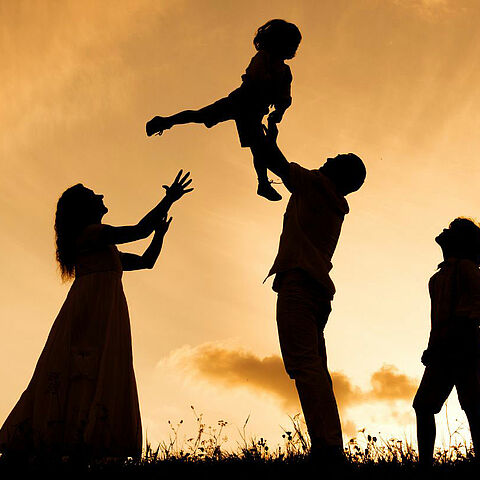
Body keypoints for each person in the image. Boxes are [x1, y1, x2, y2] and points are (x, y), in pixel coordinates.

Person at [0, 170, 193, 461]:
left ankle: (80, 440)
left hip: (102, 311)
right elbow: (138, 230)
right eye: (94, 195)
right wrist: (168, 199)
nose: (101, 196)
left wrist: (160, 235)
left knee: (88, 373)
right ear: (85, 209)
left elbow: (145, 262)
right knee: (85, 371)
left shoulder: (103, 246)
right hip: (91, 313)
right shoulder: (92, 235)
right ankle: (74, 440)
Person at [257, 122, 366, 463]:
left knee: (305, 366)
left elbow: (276, 162)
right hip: (315, 290)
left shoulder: (317, 186)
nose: (331, 156)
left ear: (340, 174)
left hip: (300, 287)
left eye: (339, 157)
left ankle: (328, 447)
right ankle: (328, 442)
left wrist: (259, 133)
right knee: (314, 367)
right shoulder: (328, 199)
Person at [145, 19, 302, 202]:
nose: (293, 49)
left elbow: (285, 98)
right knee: (203, 116)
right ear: (279, 42)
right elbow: (257, 77)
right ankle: (166, 121)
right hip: (241, 101)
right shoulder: (263, 57)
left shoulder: (285, 71)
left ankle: (263, 183)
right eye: (291, 44)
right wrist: (271, 94)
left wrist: (279, 112)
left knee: (257, 146)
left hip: (255, 111)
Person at [413, 218, 480, 468]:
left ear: (460, 241)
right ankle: (424, 465)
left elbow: (476, 304)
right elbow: (437, 320)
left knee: (472, 406)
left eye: (451, 230)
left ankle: (426, 465)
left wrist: (461, 334)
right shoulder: (438, 278)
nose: (444, 231)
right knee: (425, 406)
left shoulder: (466, 268)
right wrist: (432, 346)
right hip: (444, 348)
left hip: (462, 345)